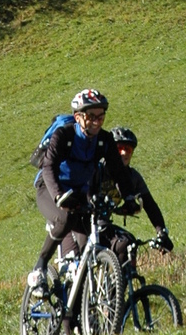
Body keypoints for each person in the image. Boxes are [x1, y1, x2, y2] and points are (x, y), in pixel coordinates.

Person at [27, 89, 139, 293]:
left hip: (79, 193)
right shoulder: (64, 135)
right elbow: (48, 167)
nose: (97, 121)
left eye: (101, 116)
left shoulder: (104, 141)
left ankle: (80, 307)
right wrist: (58, 196)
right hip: (49, 188)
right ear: (78, 117)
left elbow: (118, 172)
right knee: (65, 219)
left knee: (90, 242)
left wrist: (130, 198)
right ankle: (40, 267)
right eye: (91, 116)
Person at [60, 126, 174, 269]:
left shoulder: (132, 178)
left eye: (129, 149)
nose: (124, 153)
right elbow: (86, 194)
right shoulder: (96, 170)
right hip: (76, 223)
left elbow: (150, 205)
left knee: (126, 244)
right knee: (79, 266)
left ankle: (117, 289)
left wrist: (162, 232)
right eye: (119, 148)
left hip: (102, 225)